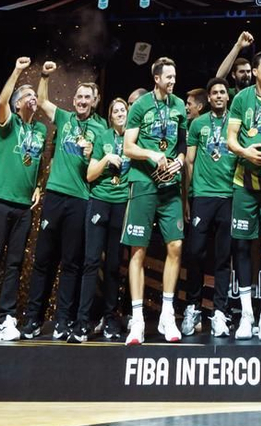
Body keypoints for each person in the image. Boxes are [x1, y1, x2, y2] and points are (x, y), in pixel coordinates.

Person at [0, 56, 50, 344]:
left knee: (14, 264)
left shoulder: (40, 130)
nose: (31, 99)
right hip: (0, 200)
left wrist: (39, 185)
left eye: (33, 96)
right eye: (26, 95)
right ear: (18, 104)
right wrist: (17, 71)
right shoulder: (9, 123)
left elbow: (38, 162)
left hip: (23, 206)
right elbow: (1, 102)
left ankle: (6, 319)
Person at [24, 65, 101, 340]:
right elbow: (43, 102)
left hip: (80, 199)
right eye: (79, 97)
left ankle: (62, 322)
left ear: (94, 101)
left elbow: (101, 166)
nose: (82, 101)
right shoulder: (65, 117)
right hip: (55, 195)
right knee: (43, 260)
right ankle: (32, 320)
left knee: (71, 264)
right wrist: (44, 77)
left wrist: (93, 154)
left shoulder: (100, 128)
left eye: (87, 98)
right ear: (74, 100)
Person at [121, 58, 188, 344]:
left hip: (170, 186)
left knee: (176, 245)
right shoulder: (140, 106)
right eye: (169, 77)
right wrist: (151, 155)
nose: (173, 81)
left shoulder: (179, 106)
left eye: (175, 76)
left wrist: (180, 161)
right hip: (144, 183)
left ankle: (167, 314)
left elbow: (183, 143)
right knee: (138, 251)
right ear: (156, 78)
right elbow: (127, 147)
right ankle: (137, 320)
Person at [227, 51, 261, 340]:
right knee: (243, 247)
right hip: (244, 184)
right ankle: (247, 314)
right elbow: (231, 139)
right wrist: (244, 151)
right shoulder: (241, 99)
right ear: (258, 71)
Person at [183, 78, 237, 337]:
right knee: (194, 253)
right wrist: (187, 196)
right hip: (202, 196)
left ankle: (219, 313)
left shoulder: (235, 122)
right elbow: (189, 162)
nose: (218, 95)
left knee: (223, 258)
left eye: (221, 92)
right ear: (209, 98)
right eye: (214, 92)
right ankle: (192, 308)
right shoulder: (198, 123)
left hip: (228, 195)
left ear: (228, 97)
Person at [81, 97, 131, 339]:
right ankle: (83, 320)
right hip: (100, 200)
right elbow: (90, 175)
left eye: (123, 110)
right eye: (116, 111)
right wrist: (106, 159)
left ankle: (111, 318)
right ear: (110, 117)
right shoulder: (102, 138)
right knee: (91, 261)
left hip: (122, 204)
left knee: (113, 265)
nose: (120, 114)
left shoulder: (135, 138)